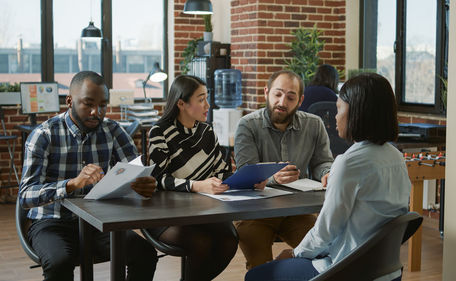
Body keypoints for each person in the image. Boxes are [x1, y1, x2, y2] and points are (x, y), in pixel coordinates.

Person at [245, 73, 412, 281]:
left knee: (256, 276)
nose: (335, 116)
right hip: (386, 270)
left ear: (357, 113)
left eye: (339, 108)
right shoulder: (396, 157)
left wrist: (294, 253)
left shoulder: (349, 162)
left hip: (347, 270)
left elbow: (326, 231)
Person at [18, 71, 158, 281]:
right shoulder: (44, 135)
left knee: (145, 253)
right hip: (51, 221)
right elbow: (26, 196)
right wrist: (72, 184)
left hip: (99, 221)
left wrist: (144, 186)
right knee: (59, 263)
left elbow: (136, 171)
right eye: (88, 104)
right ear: (69, 101)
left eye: (103, 105)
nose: (96, 112)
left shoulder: (113, 130)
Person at [147, 75, 259, 281]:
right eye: (201, 99)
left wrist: (247, 180)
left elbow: (222, 172)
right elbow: (158, 180)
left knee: (230, 240)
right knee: (202, 243)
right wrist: (197, 186)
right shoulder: (159, 132)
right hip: (165, 214)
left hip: (202, 212)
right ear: (181, 103)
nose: (208, 105)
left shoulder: (207, 132)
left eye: (207, 98)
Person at [234, 70, 334, 269]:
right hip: (255, 213)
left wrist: (327, 174)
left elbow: (322, 162)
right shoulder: (247, 125)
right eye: (277, 94)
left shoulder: (314, 124)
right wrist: (273, 178)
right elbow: (245, 174)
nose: (282, 102)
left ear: (300, 100)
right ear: (266, 92)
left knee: (322, 253)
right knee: (260, 266)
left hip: (297, 210)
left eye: (290, 97)